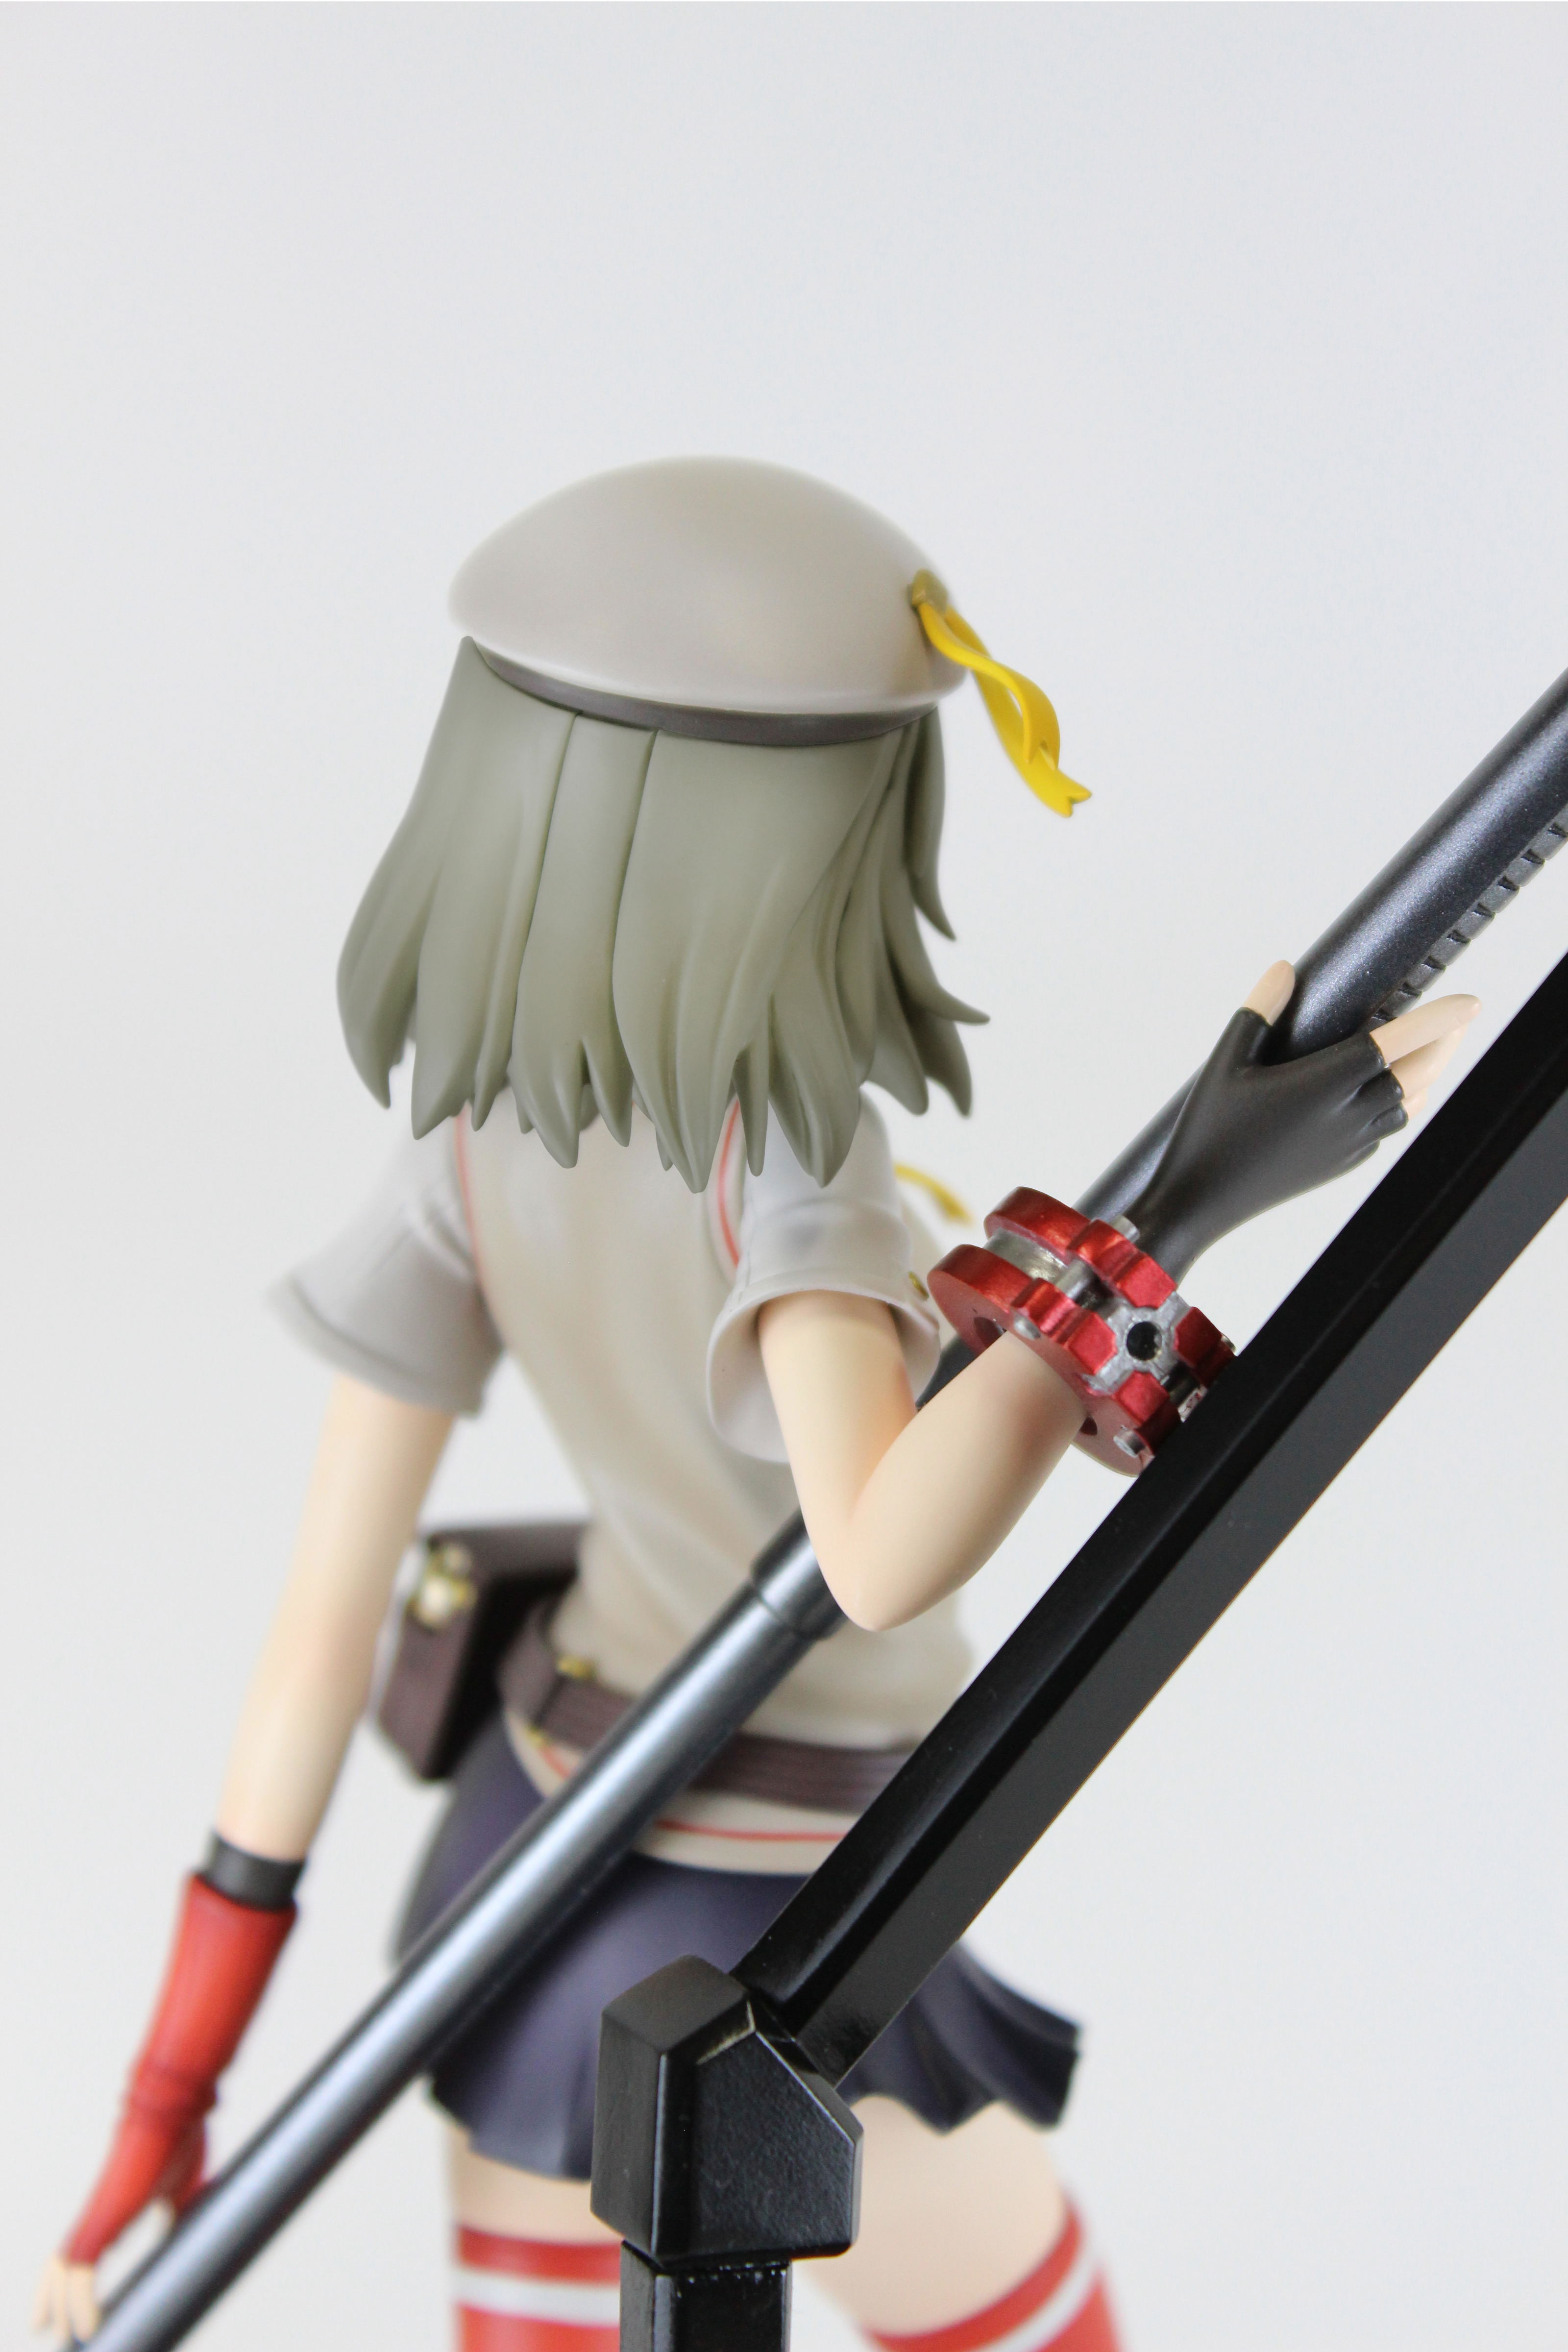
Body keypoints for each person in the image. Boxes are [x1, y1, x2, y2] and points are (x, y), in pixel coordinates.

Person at [35, 459, 1476, 2352]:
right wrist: (1171, 1223)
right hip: (772, 1900)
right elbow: (875, 1553)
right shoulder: (782, 1154)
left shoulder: (472, 1135)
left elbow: (317, 1630)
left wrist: (171, 2087)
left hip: (537, 1854)